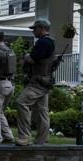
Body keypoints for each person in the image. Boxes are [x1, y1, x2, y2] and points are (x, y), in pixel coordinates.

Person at [16, 18, 56, 146]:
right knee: (42, 111)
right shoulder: (50, 41)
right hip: (45, 81)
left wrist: (26, 56)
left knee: (21, 102)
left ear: (42, 28)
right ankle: (42, 140)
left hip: (38, 82)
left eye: (35, 28)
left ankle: (24, 137)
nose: (33, 31)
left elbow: (32, 60)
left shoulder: (43, 42)